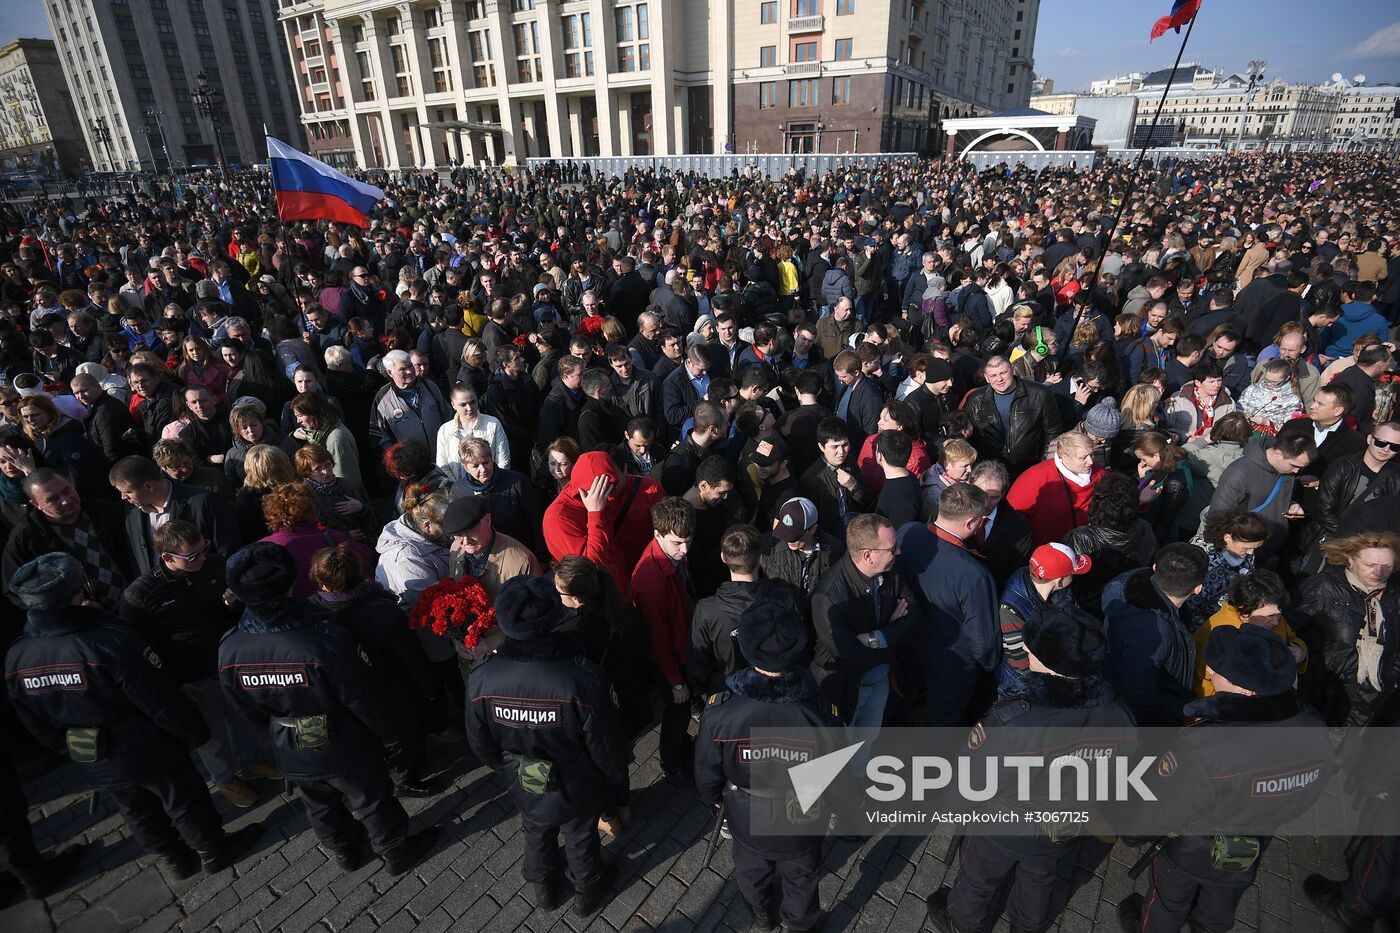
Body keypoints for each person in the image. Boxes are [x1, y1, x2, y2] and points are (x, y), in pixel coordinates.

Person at [5, 553, 261, 879]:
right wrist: (196, 733)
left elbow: (32, 720)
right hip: (142, 742)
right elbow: (156, 698)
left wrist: (70, 747)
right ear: (76, 592)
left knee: (136, 810)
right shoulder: (107, 642)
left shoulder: (18, 656)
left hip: (89, 750)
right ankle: (213, 848)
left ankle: (175, 859)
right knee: (183, 798)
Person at [218, 543, 438, 875]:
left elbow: (242, 709)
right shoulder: (324, 639)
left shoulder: (229, 648)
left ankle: (345, 851)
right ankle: (395, 850)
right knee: (371, 798)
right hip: (344, 740)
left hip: (289, 742)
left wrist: (277, 731)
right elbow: (361, 698)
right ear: (291, 583)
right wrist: (390, 738)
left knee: (318, 804)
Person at [927, 606, 1133, 933]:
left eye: (1032, 647)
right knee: (1039, 880)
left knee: (978, 879)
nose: (1024, 649)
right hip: (1062, 825)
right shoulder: (1121, 717)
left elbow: (972, 776)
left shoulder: (1014, 720)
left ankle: (961, 923)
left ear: (1052, 663)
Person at [1118, 625, 1333, 933]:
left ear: (1245, 690)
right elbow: (1305, 795)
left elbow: (1164, 804)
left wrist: (1133, 833)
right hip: (1250, 845)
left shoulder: (1205, 744)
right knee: (1219, 907)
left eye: (1218, 669)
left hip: (1190, 849)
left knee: (1168, 903)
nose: (1208, 671)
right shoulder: (1313, 727)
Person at [464, 575, 625, 916]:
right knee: (581, 834)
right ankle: (587, 891)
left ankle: (544, 891)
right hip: (576, 778)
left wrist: (509, 767)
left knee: (535, 827)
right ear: (554, 617)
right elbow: (604, 744)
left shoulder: (481, 677)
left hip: (523, 775)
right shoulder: (582, 678)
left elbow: (480, 743)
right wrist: (613, 779)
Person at [694, 600, 843, 932]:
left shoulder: (721, 713)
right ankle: (801, 924)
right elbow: (837, 776)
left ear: (747, 648)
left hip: (746, 816)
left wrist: (713, 800)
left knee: (751, 870)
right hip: (803, 817)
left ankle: (762, 915)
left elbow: (706, 771)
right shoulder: (823, 715)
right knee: (802, 878)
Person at [117, 520, 276, 808]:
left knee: (242, 717)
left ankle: (251, 763)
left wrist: (232, 603)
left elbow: (232, 609)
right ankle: (225, 778)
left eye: (203, 550)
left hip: (228, 662)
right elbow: (137, 648)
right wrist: (175, 683)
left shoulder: (213, 565)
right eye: (192, 557)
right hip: (191, 675)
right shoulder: (140, 595)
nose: (202, 559)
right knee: (210, 734)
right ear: (166, 557)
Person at [307, 543, 439, 798]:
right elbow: (411, 657)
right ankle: (405, 777)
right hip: (392, 690)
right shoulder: (383, 610)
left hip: (348, 697)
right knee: (405, 736)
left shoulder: (313, 611)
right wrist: (430, 689)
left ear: (323, 584)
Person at [898, 484, 999, 726]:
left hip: (907, 650)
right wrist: (990, 669)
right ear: (970, 523)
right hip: (951, 669)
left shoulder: (907, 532)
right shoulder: (973, 574)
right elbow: (984, 641)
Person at [811, 513, 918, 728]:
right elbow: (853, 659)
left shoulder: (891, 571)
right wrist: (892, 631)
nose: (899, 551)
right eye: (892, 548)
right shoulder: (829, 597)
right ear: (868, 555)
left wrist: (875, 638)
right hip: (843, 687)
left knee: (867, 741)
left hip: (881, 679)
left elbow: (914, 616)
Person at [1291, 531, 1400, 727]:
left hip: (1374, 704)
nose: (1378, 572)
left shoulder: (1394, 594)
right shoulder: (1324, 587)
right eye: (1370, 565)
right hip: (1323, 695)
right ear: (1350, 559)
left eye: (1387, 567)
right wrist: (1299, 652)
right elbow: (1285, 625)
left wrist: (1391, 676)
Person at [1102, 542, 1208, 727]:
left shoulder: (1126, 583)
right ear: (1198, 588)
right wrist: (1182, 707)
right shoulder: (1152, 635)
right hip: (1147, 724)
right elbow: (1140, 693)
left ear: (1155, 568)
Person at [630, 496, 697, 779]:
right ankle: (671, 764)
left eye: (688, 541)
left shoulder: (668, 556)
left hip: (681, 648)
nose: (684, 550)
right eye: (677, 543)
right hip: (671, 660)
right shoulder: (651, 581)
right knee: (676, 713)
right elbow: (659, 638)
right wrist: (676, 681)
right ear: (657, 534)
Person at [2, 469, 133, 611]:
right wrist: (70, 606)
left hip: (136, 604)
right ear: (36, 504)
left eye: (66, 491)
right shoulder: (26, 539)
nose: (65, 500)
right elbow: (14, 589)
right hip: (87, 623)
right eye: (53, 499)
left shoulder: (105, 512)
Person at [543, 450, 665, 594]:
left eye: (611, 486)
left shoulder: (598, 498)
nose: (609, 494)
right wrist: (595, 513)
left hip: (620, 586)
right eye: (604, 489)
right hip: (598, 598)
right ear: (587, 489)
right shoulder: (558, 517)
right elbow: (590, 565)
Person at [108, 455, 241, 576]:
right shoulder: (132, 511)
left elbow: (229, 552)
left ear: (148, 486)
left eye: (128, 492)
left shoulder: (203, 502)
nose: (123, 497)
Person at [1191, 570, 1307, 698]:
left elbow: (1292, 638)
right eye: (1268, 617)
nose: (1275, 622)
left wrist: (1301, 654)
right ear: (1244, 611)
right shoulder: (1214, 635)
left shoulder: (1274, 619)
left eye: (1279, 615)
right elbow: (1201, 685)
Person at [1208, 430, 1315, 562]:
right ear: (1278, 454)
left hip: (1270, 550)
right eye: (1294, 465)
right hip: (1242, 555)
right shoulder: (1239, 473)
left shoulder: (1286, 470)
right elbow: (1218, 517)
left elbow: (1273, 495)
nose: (1296, 471)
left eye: (1301, 468)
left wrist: (1291, 504)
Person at [996, 542, 1093, 683]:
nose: (1074, 576)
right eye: (1072, 573)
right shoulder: (1011, 609)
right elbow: (1021, 664)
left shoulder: (1062, 590)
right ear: (1059, 581)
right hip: (1025, 686)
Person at [258, 482, 374, 596]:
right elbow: (365, 557)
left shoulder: (262, 548)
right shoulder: (332, 537)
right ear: (311, 508)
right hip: (333, 608)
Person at [962, 355, 1062, 474]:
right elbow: (968, 435)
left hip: (1029, 467)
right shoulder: (975, 399)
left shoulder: (1040, 394)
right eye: (993, 375)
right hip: (990, 469)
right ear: (986, 378)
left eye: (1003, 373)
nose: (999, 379)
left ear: (1013, 370)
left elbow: (1053, 432)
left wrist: (1044, 465)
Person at [1005, 432, 1102, 546]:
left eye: (1091, 455)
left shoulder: (1099, 473)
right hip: (1048, 551)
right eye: (1083, 457)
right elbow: (1010, 519)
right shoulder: (1035, 479)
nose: (1090, 461)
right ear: (1065, 457)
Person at [1182, 510, 1270, 631]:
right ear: (1228, 538)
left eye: (1255, 548)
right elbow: (1190, 605)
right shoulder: (1205, 560)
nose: (1251, 553)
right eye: (1247, 548)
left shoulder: (1244, 552)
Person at [799, 416, 872, 534]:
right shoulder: (810, 479)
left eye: (845, 445)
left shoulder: (850, 461)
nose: (841, 452)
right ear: (821, 447)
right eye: (835, 447)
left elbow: (868, 500)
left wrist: (854, 486)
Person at [370, 349, 450, 451]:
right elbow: (379, 438)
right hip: (409, 464)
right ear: (390, 372)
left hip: (440, 458)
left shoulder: (430, 386)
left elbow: (448, 416)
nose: (410, 371)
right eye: (403, 369)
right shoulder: (382, 399)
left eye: (410, 365)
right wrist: (398, 461)